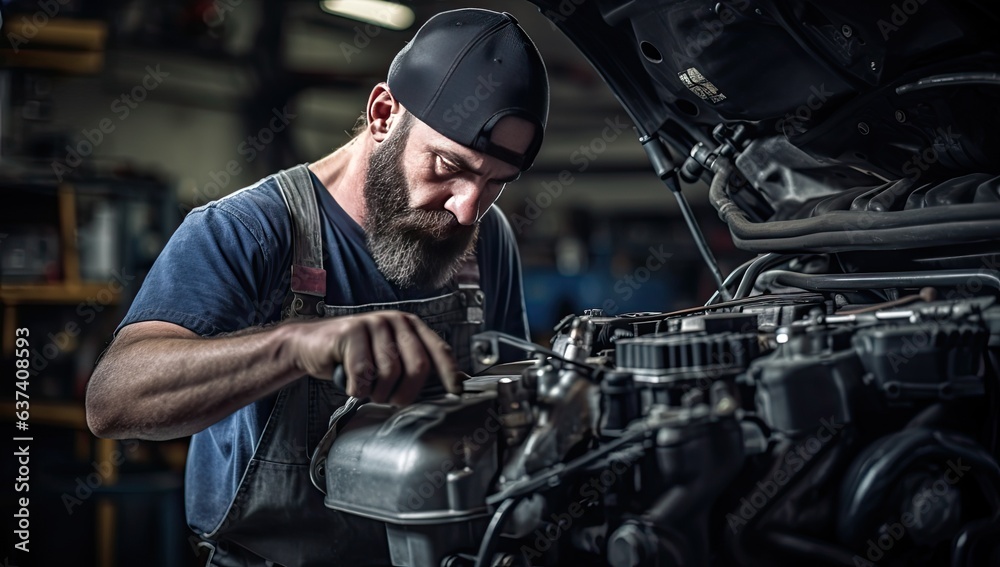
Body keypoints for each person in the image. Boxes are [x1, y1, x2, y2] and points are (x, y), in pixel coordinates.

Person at [85, 8, 549, 566]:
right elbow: (112, 401)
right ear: (383, 115)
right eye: (448, 165)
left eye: (495, 183)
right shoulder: (248, 231)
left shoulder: (484, 237)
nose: (467, 207)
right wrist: (295, 345)